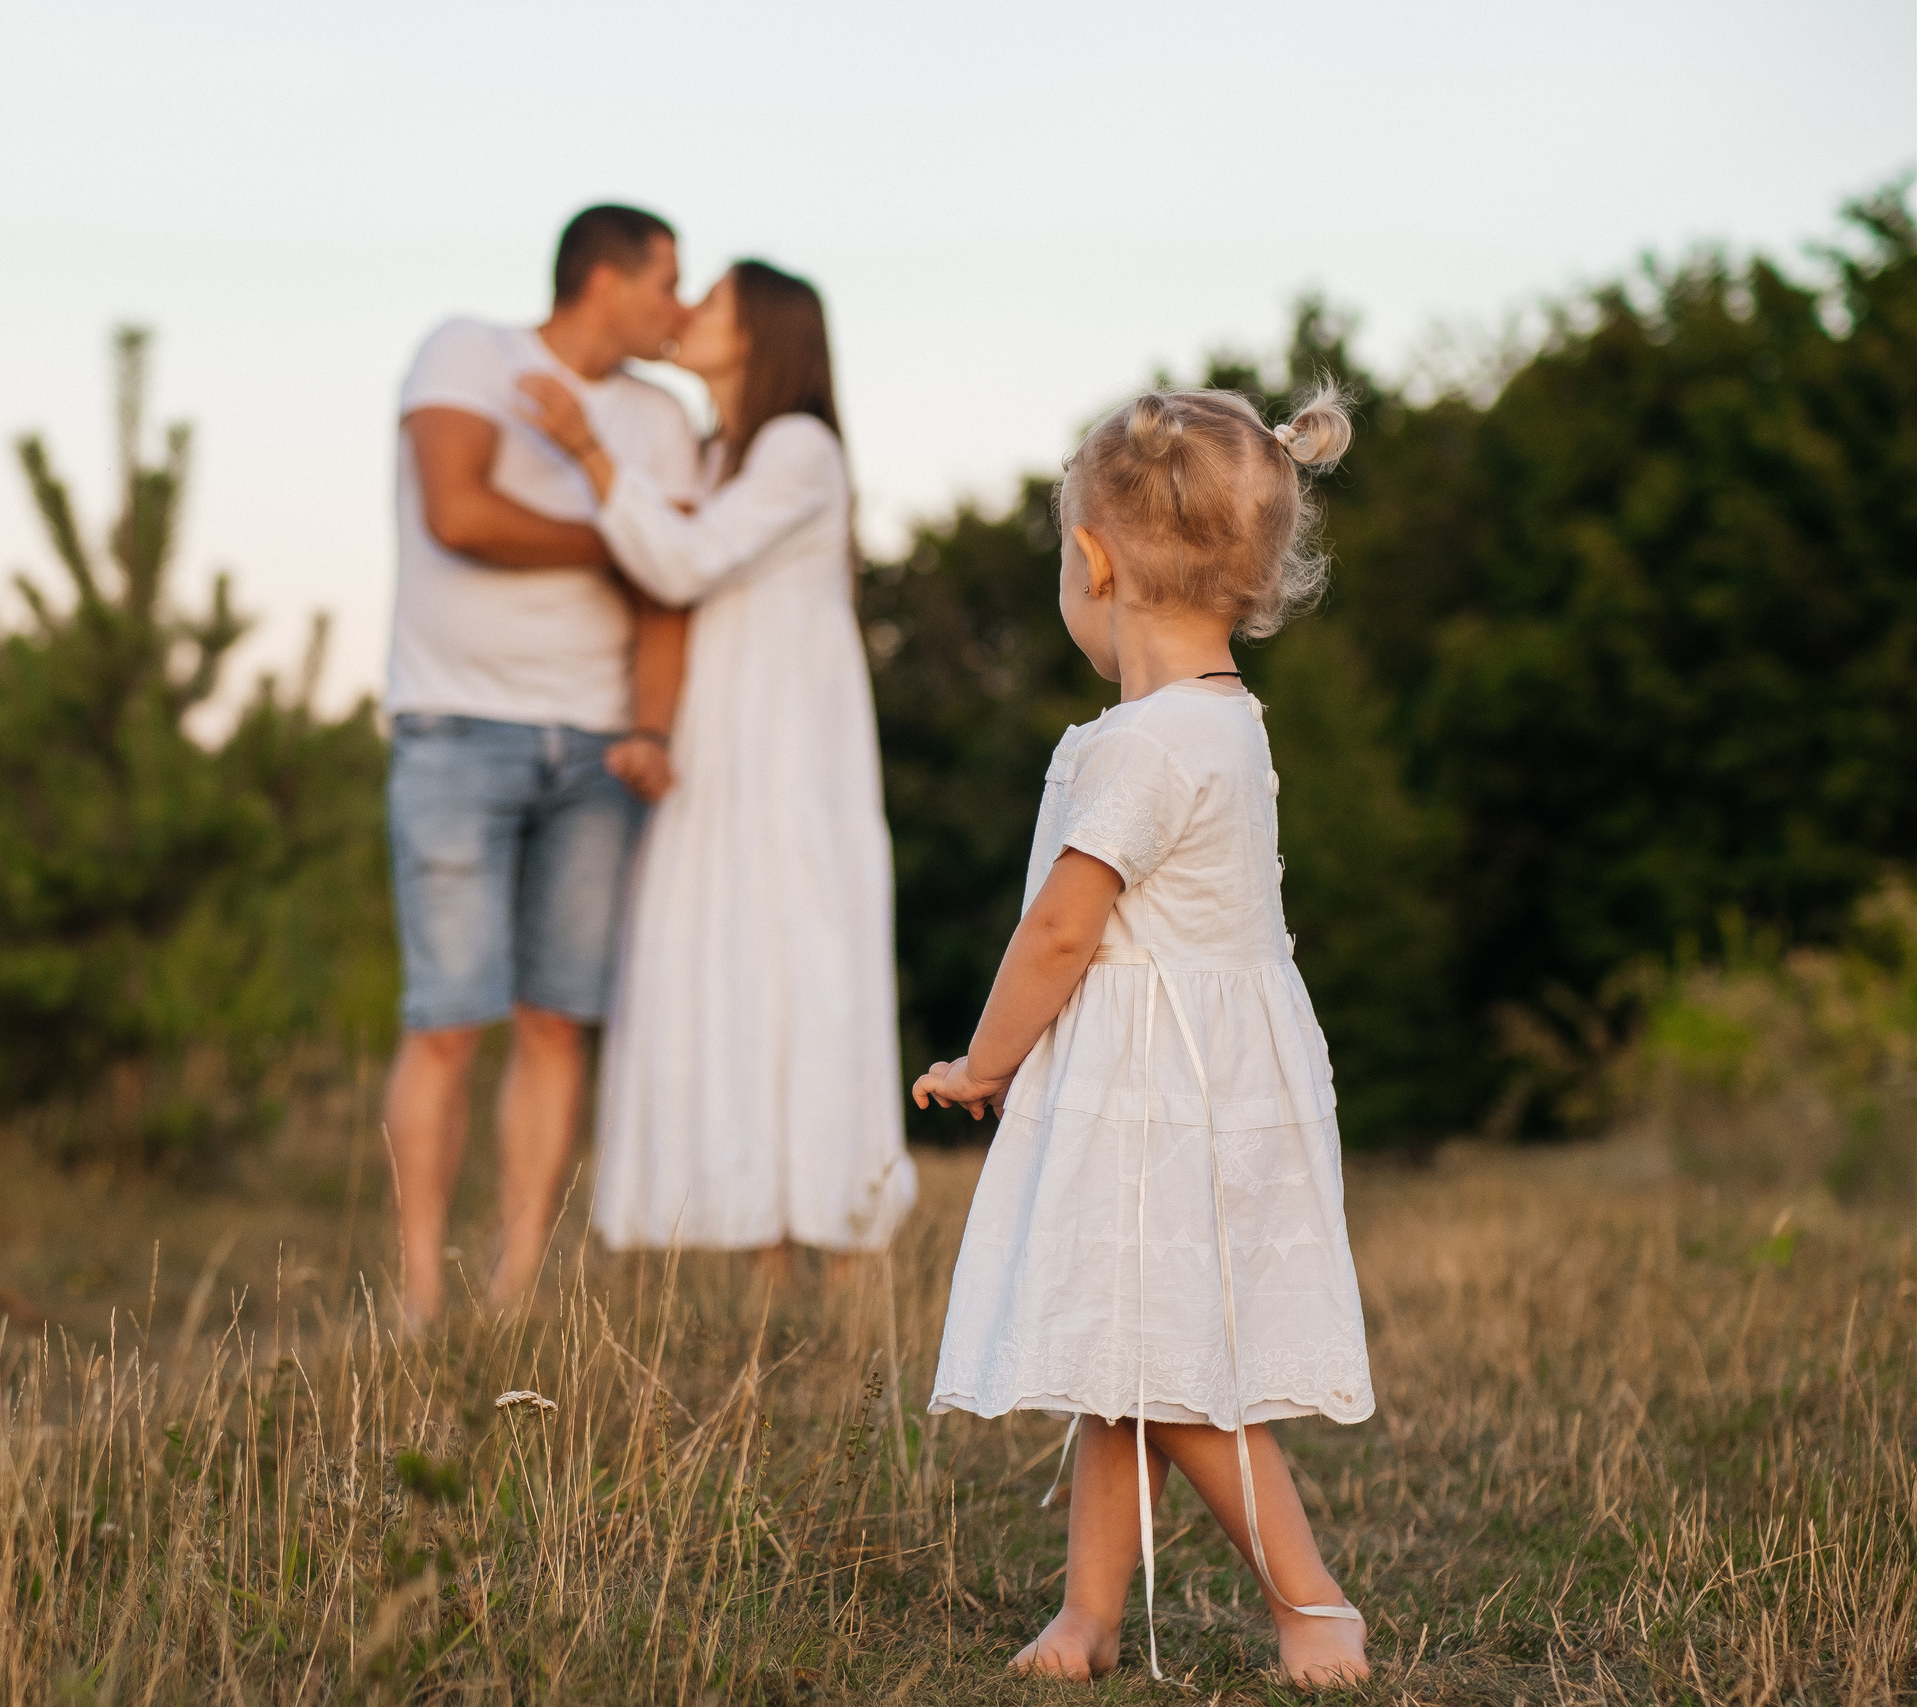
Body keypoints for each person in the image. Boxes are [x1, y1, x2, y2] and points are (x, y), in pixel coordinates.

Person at [913, 384, 1375, 1687]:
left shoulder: (1141, 746)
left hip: (1156, 1085)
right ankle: (1090, 1615)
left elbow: (1061, 931)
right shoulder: (1225, 719)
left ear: (1096, 559)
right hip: (1198, 1075)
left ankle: (1313, 1601)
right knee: (1123, 1358)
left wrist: (986, 1061)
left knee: (1175, 1377)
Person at [516, 261, 915, 1265]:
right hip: (723, 735)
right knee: (728, 959)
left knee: (799, 960)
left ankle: (830, 1221)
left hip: (784, 747)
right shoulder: (714, 452)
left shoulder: (796, 445)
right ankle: (750, 1225)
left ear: (762, 334)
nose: (688, 312)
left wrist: (587, 455)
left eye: (716, 304)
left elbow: (681, 562)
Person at [381, 205, 697, 1329]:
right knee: (444, 1019)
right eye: (667, 282)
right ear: (605, 280)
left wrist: (653, 729)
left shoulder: (662, 422)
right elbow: (458, 512)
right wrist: (626, 535)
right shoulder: (471, 351)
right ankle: (419, 1291)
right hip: (455, 729)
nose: (680, 308)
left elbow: (677, 591)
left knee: (557, 1017)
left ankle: (514, 1290)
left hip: (601, 742)